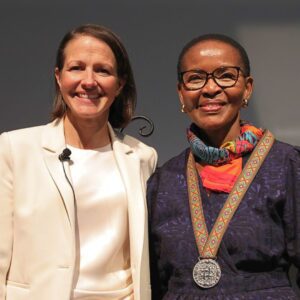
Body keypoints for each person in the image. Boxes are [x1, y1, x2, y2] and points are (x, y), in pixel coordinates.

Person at [0, 24, 157, 300]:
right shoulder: (14, 148)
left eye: (102, 70)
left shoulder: (142, 157)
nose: (89, 81)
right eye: (77, 68)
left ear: (119, 84)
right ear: (59, 77)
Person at [147, 33, 300, 299]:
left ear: (247, 88)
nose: (210, 88)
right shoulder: (163, 181)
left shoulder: (287, 167)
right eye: (195, 78)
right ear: (181, 92)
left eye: (225, 75)